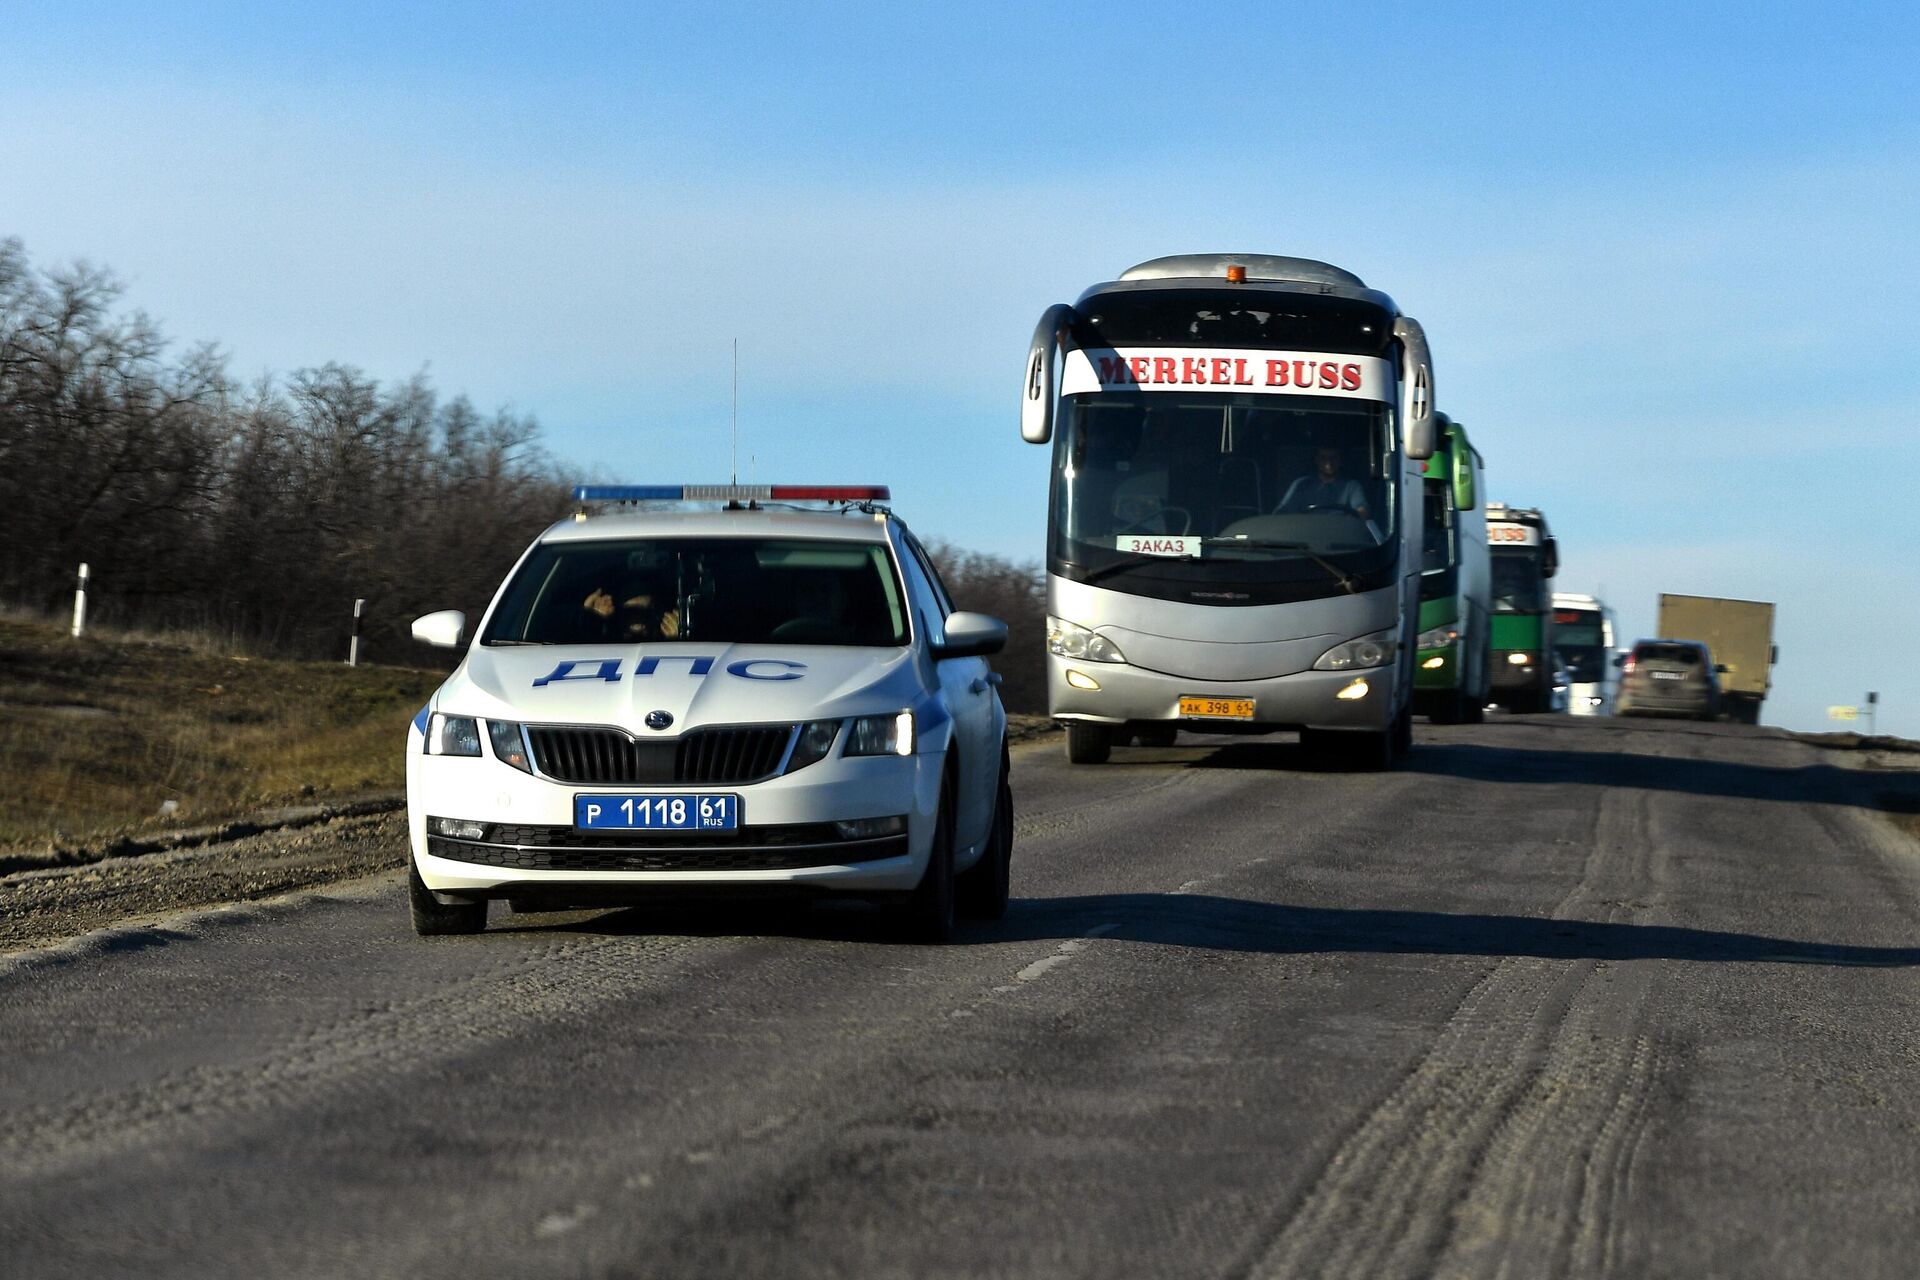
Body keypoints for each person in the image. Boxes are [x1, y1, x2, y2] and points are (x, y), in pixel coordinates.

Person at [1277, 446, 1371, 519]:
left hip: (1341, 536)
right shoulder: (1301, 484)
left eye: (1334, 458)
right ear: (1316, 460)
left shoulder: (1352, 486)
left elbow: (1362, 511)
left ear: (1340, 461)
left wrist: (1348, 520)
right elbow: (1283, 512)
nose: (1329, 462)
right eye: (1323, 458)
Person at [583, 574, 681, 640]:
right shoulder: (606, 642)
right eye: (632, 612)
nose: (639, 618)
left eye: (646, 612)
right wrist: (590, 617)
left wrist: (675, 641)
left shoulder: (666, 638)